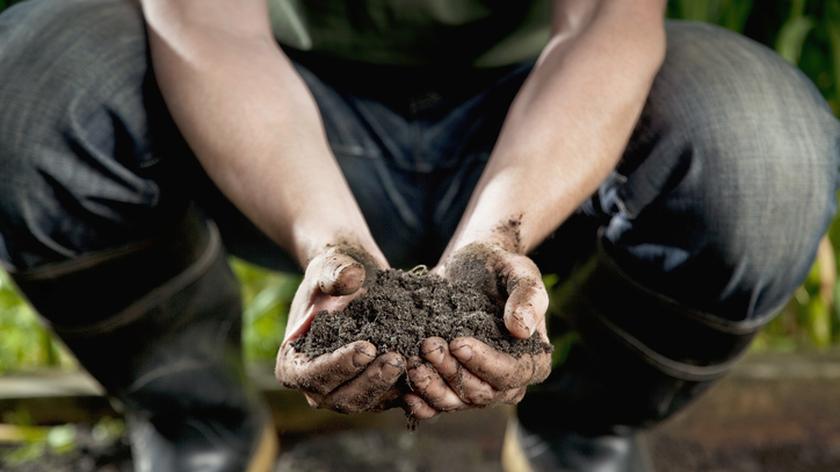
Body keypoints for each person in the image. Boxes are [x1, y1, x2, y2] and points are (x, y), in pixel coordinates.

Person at [0, 0, 837, 470]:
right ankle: (200, 425)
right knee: (31, 84)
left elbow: (605, 25)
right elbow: (208, 28)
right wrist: (328, 235)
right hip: (275, 125)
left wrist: (495, 241)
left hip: (543, 131)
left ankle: (579, 431)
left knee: (764, 148)